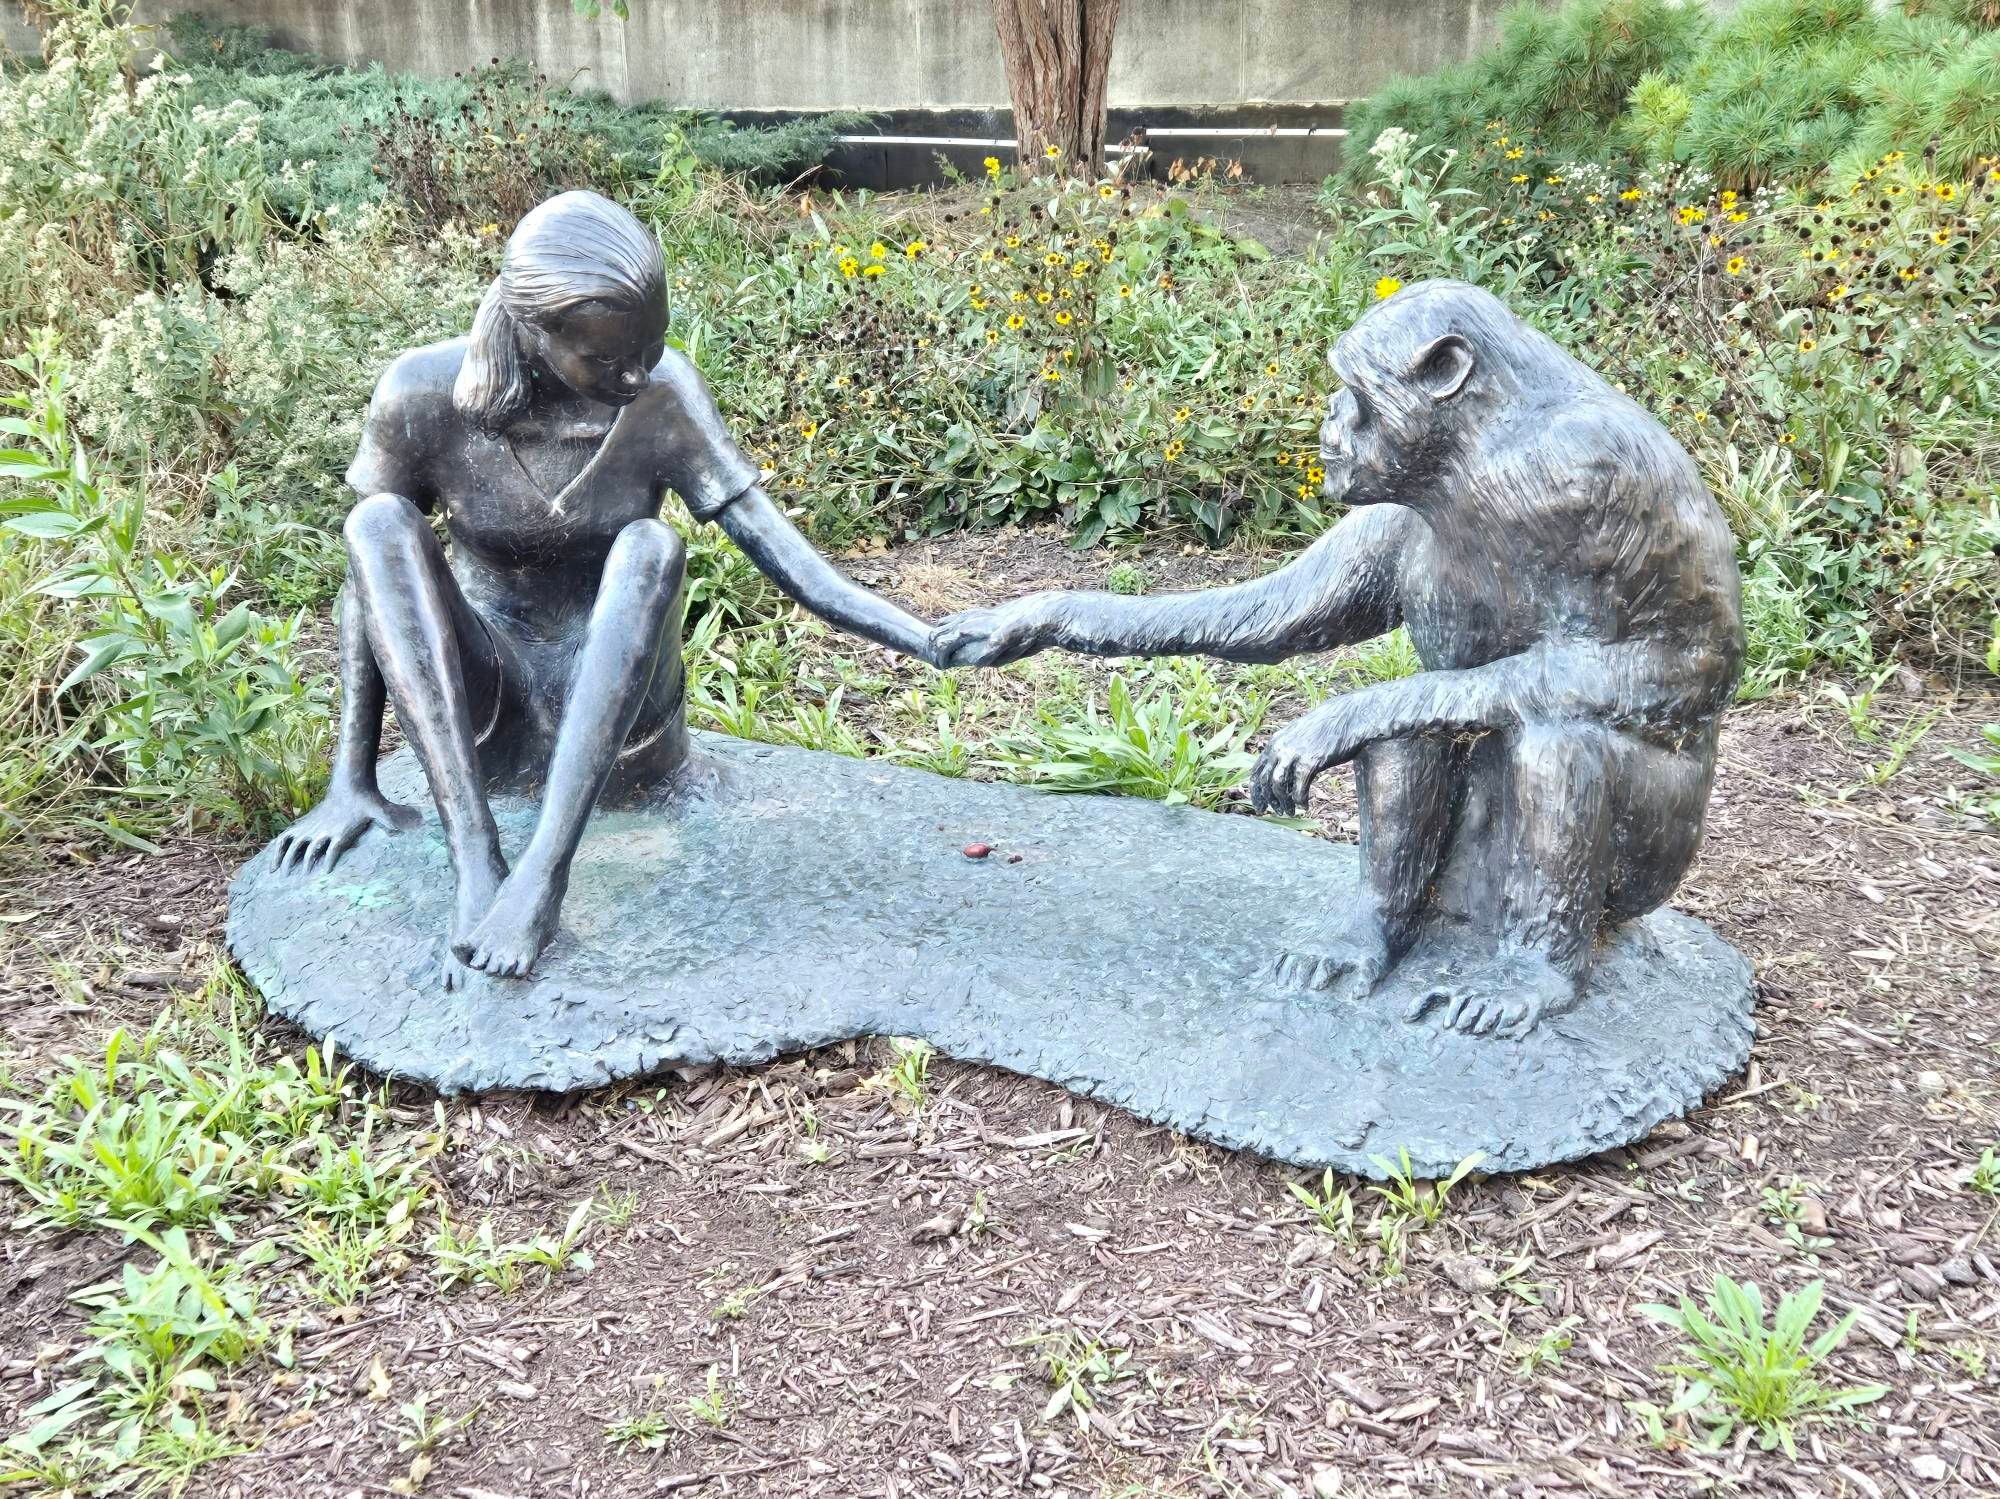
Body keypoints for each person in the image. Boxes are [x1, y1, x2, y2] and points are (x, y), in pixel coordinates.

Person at [269, 191, 937, 985]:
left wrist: (924, 637)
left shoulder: (660, 394)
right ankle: (476, 858)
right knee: (376, 524)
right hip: (488, 715)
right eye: (607, 357)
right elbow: (374, 586)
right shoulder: (420, 394)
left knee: (651, 545)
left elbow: (778, 548)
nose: (637, 371)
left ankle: (544, 872)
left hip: (620, 722)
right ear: (532, 329)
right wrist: (352, 776)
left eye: (649, 345)